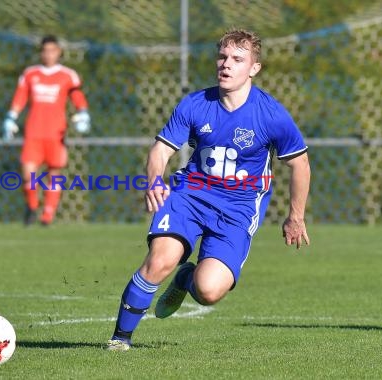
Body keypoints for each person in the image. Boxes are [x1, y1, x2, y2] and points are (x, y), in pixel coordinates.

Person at [107, 28, 311, 351]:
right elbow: (160, 151)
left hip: (237, 210)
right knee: (160, 260)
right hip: (189, 197)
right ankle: (120, 340)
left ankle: (186, 278)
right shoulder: (195, 104)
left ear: (254, 68)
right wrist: (155, 180)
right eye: (222, 56)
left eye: (237, 59)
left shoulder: (271, 115)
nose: (226, 64)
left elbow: (300, 164)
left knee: (209, 290)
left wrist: (295, 216)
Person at [3, 35, 90, 226]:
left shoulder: (68, 75)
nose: (49, 54)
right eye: (45, 51)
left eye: (53, 50)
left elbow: (77, 96)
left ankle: (47, 216)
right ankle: (32, 206)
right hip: (33, 132)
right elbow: (20, 97)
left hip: (56, 133)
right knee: (28, 174)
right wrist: (11, 117)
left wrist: (83, 113)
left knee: (54, 174)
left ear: (58, 52)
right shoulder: (30, 74)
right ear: (41, 52)